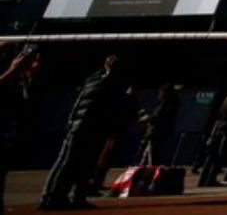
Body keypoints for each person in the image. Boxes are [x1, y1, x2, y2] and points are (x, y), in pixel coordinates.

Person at [41, 55, 134, 210]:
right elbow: (108, 109)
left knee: (78, 164)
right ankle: (53, 197)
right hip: (87, 128)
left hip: (85, 127)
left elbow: (82, 103)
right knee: (70, 163)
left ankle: (69, 197)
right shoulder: (109, 84)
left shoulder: (95, 80)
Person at [1, 43, 41, 203]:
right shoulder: (10, 71)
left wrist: (27, 73)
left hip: (7, 124)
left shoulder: (17, 77)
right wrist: (12, 70)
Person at [137, 84, 180, 167]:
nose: (158, 95)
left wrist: (148, 118)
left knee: (152, 156)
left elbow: (159, 117)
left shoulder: (166, 106)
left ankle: (149, 174)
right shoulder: (169, 105)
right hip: (158, 133)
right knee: (148, 156)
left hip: (157, 133)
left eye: (160, 93)